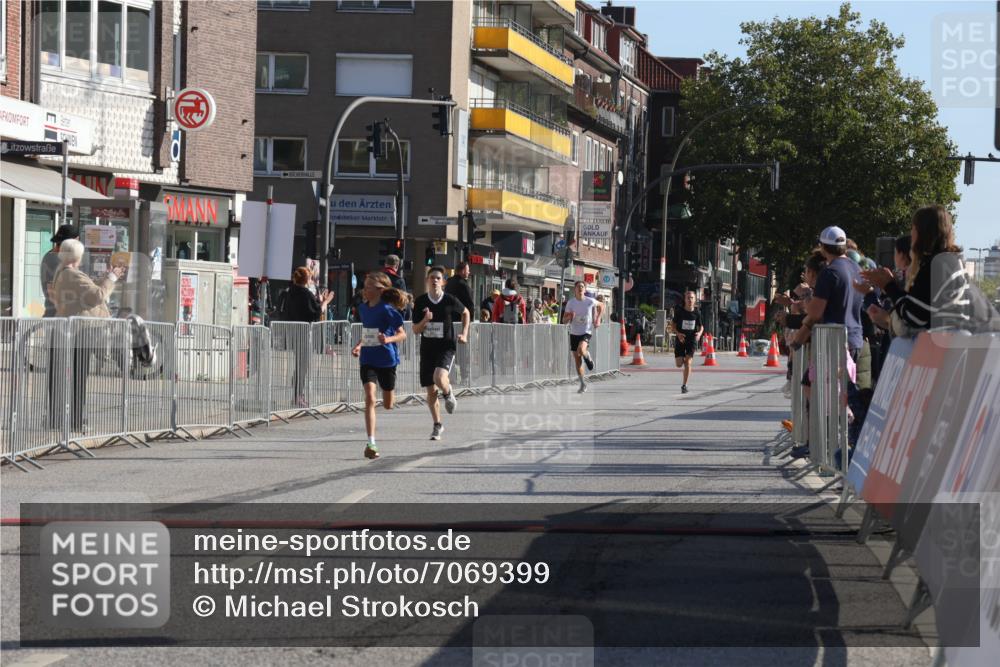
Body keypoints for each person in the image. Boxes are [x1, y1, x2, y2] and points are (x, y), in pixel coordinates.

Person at [793, 225, 865, 456]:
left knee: (825, 389)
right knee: (825, 386)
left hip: (833, 342)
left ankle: (828, 443)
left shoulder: (830, 272)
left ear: (824, 248)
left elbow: (816, 310)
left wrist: (805, 299)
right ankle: (827, 442)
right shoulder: (854, 267)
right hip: (852, 337)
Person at [50, 239, 124, 430]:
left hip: (73, 330)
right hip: (81, 332)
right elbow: (97, 295)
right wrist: (112, 278)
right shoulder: (72, 274)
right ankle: (77, 421)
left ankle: (70, 419)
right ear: (78, 256)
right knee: (79, 378)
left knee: (75, 377)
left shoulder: (64, 273)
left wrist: (107, 277)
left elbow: (88, 291)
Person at [860, 205, 970, 333]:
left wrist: (888, 285)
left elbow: (914, 317)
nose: (911, 234)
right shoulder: (952, 262)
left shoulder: (934, 266)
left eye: (913, 228)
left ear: (922, 232)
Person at [351, 272, 409, 459]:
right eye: (364, 286)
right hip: (368, 358)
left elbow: (402, 334)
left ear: (379, 290)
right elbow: (368, 332)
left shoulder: (388, 310)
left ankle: (389, 399)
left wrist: (388, 339)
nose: (364, 290)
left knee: (388, 404)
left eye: (368, 287)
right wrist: (359, 345)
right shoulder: (363, 308)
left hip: (386, 360)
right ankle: (371, 443)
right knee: (369, 397)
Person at [413, 266, 470, 441]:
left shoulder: (449, 300)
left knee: (439, 377)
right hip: (428, 348)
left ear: (443, 282)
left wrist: (465, 333)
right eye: (432, 278)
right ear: (427, 281)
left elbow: (466, 312)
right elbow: (415, 329)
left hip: (446, 346)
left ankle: (448, 393)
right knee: (430, 391)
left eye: (438, 278)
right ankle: (437, 425)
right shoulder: (421, 301)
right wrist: (425, 320)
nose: (435, 280)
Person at [283, 266, 333, 407]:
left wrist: (319, 301)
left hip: (291, 332)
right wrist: (326, 302)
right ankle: (298, 396)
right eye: (310, 278)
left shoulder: (290, 292)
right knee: (302, 366)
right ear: (307, 279)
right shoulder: (305, 293)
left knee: (299, 365)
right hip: (303, 334)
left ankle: (297, 394)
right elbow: (316, 312)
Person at [562, 281, 604, 393]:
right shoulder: (570, 303)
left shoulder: (590, 301)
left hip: (586, 331)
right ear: (574, 289)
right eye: (578, 287)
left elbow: (601, 305)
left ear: (585, 289)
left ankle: (588, 356)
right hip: (574, 333)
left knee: (581, 349)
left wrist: (598, 318)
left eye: (582, 287)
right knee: (577, 359)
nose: (580, 288)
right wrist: (570, 316)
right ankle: (582, 384)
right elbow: (564, 320)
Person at [670, 289, 704, 394]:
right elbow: (673, 326)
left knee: (688, 362)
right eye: (688, 297)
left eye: (692, 298)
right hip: (681, 339)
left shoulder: (697, 313)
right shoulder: (679, 311)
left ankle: (684, 385)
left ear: (695, 300)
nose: (690, 299)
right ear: (685, 299)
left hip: (691, 340)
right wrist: (678, 333)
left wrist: (699, 333)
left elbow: (701, 326)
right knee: (679, 364)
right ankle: (684, 362)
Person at [42, 225, 79, 317]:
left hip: (56, 313)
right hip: (58, 316)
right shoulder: (56, 259)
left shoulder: (51, 256)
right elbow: (52, 291)